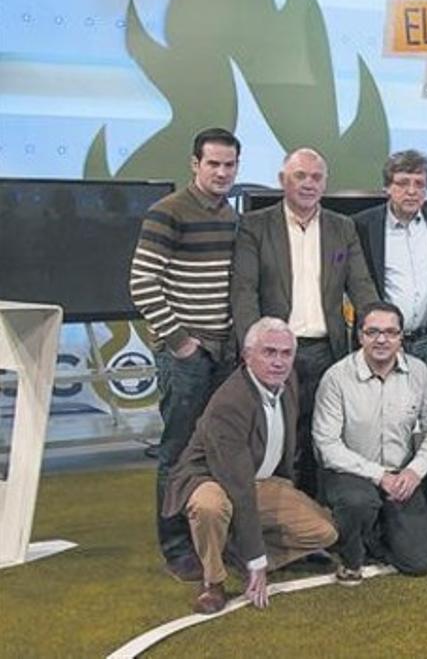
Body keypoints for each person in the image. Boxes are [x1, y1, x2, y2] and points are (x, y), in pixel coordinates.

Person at [161, 317, 338, 615]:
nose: (279, 362)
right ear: (247, 355)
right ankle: (212, 581)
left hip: (260, 480)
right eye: (269, 352)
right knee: (210, 507)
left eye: (286, 353)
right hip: (211, 479)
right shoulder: (230, 402)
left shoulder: (288, 380)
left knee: (325, 532)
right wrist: (258, 564)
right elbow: (238, 486)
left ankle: (235, 552)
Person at [231, 147, 379, 497]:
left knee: (321, 439)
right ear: (283, 180)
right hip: (276, 353)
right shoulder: (254, 226)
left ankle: (316, 523)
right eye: (300, 176)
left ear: (325, 183)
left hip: (327, 352)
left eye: (316, 177)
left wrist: (378, 330)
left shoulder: (342, 228)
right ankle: (276, 523)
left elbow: (361, 286)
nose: (309, 183)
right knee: (277, 441)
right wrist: (253, 349)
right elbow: (244, 292)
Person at [129, 127, 241, 582]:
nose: (221, 172)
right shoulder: (167, 212)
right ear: (194, 164)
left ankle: (212, 537)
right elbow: (142, 282)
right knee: (177, 451)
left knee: (218, 449)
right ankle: (176, 547)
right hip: (187, 355)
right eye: (213, 163)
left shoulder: (232, 216)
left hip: (225, 352)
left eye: (229, 165)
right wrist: (180, 341)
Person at [311, 301, 427, 585]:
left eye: (390, 332)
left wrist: (414, 471)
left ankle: (378, 531)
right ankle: (351, 551)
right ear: (360, 336)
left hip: (401, 476)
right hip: (352, 474)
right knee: (357, 502)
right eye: (373, 332)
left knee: (419, 563)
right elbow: (327, 445)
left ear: (401, 337)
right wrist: (379, 476)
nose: (382, 340)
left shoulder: (420, 374)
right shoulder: (336, 378)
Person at [354, 150, 427, 375]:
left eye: (419, 184)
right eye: (402, 183)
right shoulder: (364, 225)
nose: (411, 191)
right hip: (386, 341)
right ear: (387, 188)